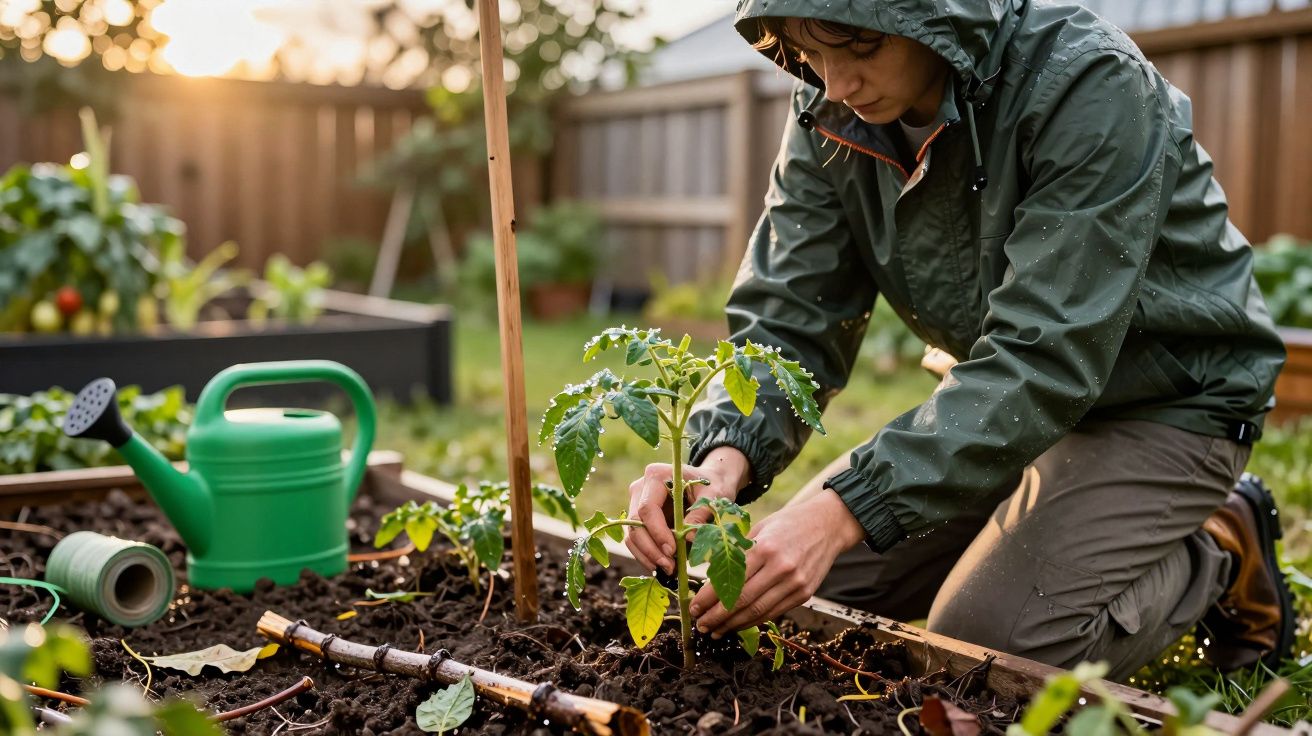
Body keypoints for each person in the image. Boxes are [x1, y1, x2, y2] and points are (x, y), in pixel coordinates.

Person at [622, 0, 1294, 680]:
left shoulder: (1088, 84)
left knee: (990, 648)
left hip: (1166, 401)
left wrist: (846, 509)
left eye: (857, 49)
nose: (835, 84)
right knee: (781, 591)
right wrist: (723, 458)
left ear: (932, 17)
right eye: (810, 53)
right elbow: (791, 313)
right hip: (997, 407)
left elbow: (1047, 352)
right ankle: (1034, 526)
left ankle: (1222, 545)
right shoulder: (829, 112)